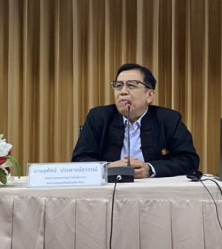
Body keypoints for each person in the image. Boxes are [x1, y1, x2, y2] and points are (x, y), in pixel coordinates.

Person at [72, 63, 200, 178]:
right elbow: (79, 160)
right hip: (109, 189)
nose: (122, 92)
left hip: (154, 190)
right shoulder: (98, 117)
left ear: (149, 95)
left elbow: (189, 160)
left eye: (131, 85)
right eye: (118, 86)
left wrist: (150, 169)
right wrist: (107, 167)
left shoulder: (168, 119)